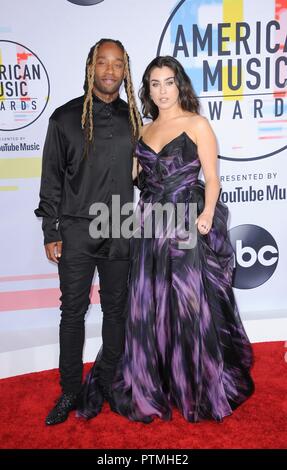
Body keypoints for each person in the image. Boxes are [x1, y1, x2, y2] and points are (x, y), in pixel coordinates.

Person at [78, 56, 254, 423]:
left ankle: (194, 384)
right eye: (154, 84)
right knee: (150, 303)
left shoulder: (197, 124)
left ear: (180, 85)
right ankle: (155, 381)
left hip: (187, 221)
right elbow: (132, 176)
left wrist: (207, 213)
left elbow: (214, 178)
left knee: (188, 306)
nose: (162, 91)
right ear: (147, 89)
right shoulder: (142, 130)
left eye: (168, 82)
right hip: (150, 222)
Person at [34, 38, 141, 425]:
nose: (110, 71)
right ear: (90, 67)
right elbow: (51, 179)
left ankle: (109, 383)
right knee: (72, 313)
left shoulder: (135, 120)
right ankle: (70, 391)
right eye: (103, 63)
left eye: (117, 64)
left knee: (117, 312)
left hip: (121, 227)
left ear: (125, 70)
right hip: (77, 230)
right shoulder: (64, 119)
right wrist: (51, 230)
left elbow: (146, 176)